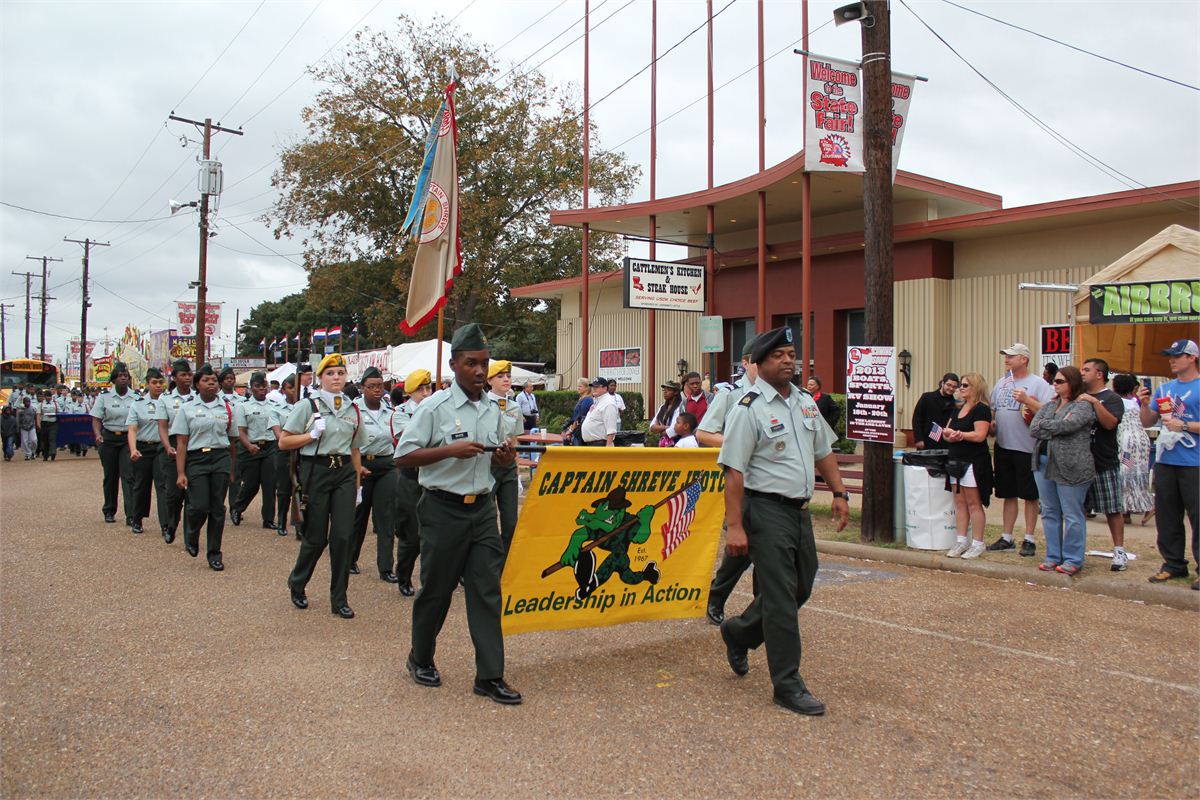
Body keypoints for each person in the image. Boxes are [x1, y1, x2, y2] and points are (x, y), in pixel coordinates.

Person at [717, 325, 850, 716]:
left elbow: (823, 450)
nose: (789, 360)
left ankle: (738, 632)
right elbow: (733, 471)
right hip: (766, 510)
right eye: (779, 355)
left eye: (792, 354)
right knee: (779, 599)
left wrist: (840, 494)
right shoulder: (749, 408)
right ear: (758, 363)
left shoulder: (805, 403)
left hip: (800, 512)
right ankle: (788, 685)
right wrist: (736, 525)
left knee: (800, 589)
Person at [395, 323, 522, 705]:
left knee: (486, 591)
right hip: (441, 510)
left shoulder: (492, 408)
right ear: (454, 365)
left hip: (481, 510)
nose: (480, 372)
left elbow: (496, 465)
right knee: (437, 590)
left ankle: (489, 675)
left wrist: (504, 460)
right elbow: (402, 456)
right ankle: (420, 657)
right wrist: (449, 450)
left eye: (484, 364)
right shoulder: (434, 407)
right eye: (472, 364)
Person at [279, 353, 369, 619]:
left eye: (340, 373)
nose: (336, 378)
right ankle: (297, 582)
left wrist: (357, 483)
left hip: (342, 472)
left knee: (343, 537)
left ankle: (339, 598)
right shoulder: (308, 406)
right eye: (330, 374)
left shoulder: (353, 409)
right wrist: (310, 435)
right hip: (316, 470)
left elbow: (355, 449)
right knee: (316, 537)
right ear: (320, 378)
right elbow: (284, 442)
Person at [696, 338, 759, 626]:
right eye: (758, 360)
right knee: (742, 551)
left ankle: (764, 611)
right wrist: (739, 443)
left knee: (773, 552)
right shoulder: (730, 395)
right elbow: (704, 434)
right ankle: (716, 596)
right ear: (745, 364)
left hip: (773, 485)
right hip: (741, 482)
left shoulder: (786, 395)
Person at [1138, 339, 1199, 588]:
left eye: (1177, 355)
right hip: (1166, 460)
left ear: (1192, 357)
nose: (1172, 360)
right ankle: (1173, 564)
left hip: (1194, 462)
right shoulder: (1165, 389)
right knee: (1167, 515)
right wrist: (1144, 404)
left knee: (1197, 517)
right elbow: (1147, 421)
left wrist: (1184, 425)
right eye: (1170, 355)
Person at [1028, 365, 1097, 576]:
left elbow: (1070, 426)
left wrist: (1049, 425)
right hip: (1042, 462)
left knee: (1072, 513)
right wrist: (1055, 425)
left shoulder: (1083, 405)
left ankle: (1073, 558)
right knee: (1049, 511)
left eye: (1059, 382)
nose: (1054, 385)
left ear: (1073, 383)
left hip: (1072, 466)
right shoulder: (1051, 405)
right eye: (1054, 381)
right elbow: (1034, 428)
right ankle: (1053, 555)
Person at [170, 364, 238, 572]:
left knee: (218, 508)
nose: (211, 384)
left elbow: (232, 442)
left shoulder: (227, 408)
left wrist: (232, 470)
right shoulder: (187, 408)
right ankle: (191, 532)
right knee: (198, 505)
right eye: (206, 380)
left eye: (214, 380)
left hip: (220, 458)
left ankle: (214, 554)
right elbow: (181, 443)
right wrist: (181, 473)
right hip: (196, 459)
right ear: (197, 384)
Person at [988, 343, 1053, 556]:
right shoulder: (1002, 382)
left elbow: (1050, 412)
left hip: (1027, 447)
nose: (1006, 359)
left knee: (1030, 495)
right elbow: (994, 409)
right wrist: (993, 423)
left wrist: (1026, 400)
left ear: (1023, 359)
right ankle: (1007, 536)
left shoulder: (1038, 384)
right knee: (1008, 493)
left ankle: (1029, 537)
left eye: (1011, 356)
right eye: (1006, 356)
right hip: (1004, 445)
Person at [1079, 358, 1129, 570]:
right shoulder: (1077, 396)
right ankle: (1076, 550)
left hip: (1104, 461)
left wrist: (1093, 402)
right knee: (1078, 509)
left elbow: (1109, 423)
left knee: (1112, 509)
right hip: (1079, 463)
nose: (1082, 373)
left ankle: (1119, 551)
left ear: (1099, 374)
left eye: (1087, 369)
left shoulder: (1112, 398)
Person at [349, 366, 398, 579]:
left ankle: (386, 567)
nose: (377, 390)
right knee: (359, 516)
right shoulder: (353, 410)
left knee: (386, 517)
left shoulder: (391, 411)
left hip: (386, 466)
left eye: (380, 386)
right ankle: (350, 559)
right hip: (362, 466)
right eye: (372, 387)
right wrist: (355, 467)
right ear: (362, 388)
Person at [941, 373, 994, 559]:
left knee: (973, 502)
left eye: (965, 385)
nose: (960, 388)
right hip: (955, 459)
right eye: (960, 386)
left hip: (974, 461)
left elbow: (980, 435)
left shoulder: (981, 409)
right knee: (959, 502)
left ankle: (978, 542)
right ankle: (961, 540)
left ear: (975, 387)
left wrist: (960, 434)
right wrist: (950, 435)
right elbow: (946, 432)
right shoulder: (958, 409)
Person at [390, 368, 433, 596]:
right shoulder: (400, 413)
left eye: (428, 388)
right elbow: (409, 442)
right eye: (421, 389)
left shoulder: (437, 410)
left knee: (436, 532)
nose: (426, 393)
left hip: (434, 477)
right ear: (410, 393)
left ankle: (432, 578)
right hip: (411, 478)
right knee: (411, 534)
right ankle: (404, 576)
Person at [229, 372, 279, 530]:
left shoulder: (273, 406)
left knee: (270, 484)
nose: (262, 389)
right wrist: (249, 446)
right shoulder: (243, 407)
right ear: (251, 388)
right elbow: (241, 431)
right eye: (257, 386)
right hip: (250, 447)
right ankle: (237, 508)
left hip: (270, 446)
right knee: (251, 484)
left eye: (264, 385)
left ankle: (268, 519)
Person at [155, 359, 197, 543]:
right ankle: (171, 523)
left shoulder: (198, 396)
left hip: (194, 445)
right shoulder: (165, 399)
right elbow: (162, 426)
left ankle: (190, 535)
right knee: (173, 493)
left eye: (189, 374)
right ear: (174, 377)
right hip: (172, 445)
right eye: (183, 375)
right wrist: (166, 446)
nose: (187, 378)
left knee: (193, 494)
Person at [125, 368, 169, 535]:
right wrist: (133, 449)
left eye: (160, 382)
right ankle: (137, 519)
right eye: (154, 383)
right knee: (141, 485)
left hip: (161, 449)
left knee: (162, 486)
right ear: (147, 384)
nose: (158, 386)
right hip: (143, 448)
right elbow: (132, 429)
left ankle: (165, 524)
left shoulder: (168, 402)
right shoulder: (138, 404)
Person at [486, 360, 524, 555]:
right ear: (489, 380)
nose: (506, 379)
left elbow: (515, 439)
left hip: (507, 466)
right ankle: (485, 565)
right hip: (488, 465)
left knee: (511, 523)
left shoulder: (514, 407)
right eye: (500, 376)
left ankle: (503, 568)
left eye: (508, 376)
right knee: (487, 521)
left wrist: (516, 471)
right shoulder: (481, 404)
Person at [91, 363, 136, 524]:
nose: (123, 378)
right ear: (114, 379)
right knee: (110, 477)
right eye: (120, 376)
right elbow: (96, 418)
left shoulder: (136, 397)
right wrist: (97, 435)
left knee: (128, 476)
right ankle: (109, 510)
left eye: (126, 376)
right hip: (108, 439)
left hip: (127, 440)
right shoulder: (104, 397)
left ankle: (131, 514)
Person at [1112, 373, 1153, 527]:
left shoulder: (1115, 401)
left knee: (1124, 472)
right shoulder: (1136, 402)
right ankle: (1139, 506)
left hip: (1126, 442)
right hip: (1141, 441)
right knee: (1139, 473)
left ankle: (1127, 509)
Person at [269, 374, 300, 538]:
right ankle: (281, 521)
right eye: (291, 387)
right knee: (283, 489)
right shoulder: (275, 408)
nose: (294, 391)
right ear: (283, 389)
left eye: (296, 387)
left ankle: (299, 524)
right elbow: (278, 434)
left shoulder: (305, 406)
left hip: (301, 451)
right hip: (283, 452)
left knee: (300, 488)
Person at [910, 372, 960, 450]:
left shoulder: (956, 404)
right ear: (942, 383)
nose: (951, 389)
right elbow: (917, 419)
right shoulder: (927, 397)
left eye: (954, 387)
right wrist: (919, 439)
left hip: (945, 444)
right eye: (949, 385)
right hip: (927, 442)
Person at [580, 377, 620, 447]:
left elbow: (611, 427)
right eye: (592, 387)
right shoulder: (598, 401)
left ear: (605, 388)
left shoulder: (608, 403)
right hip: (592, 443)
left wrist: (609, 444)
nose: (593, 389)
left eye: (597, 387)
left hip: (600, 443)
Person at [649, 381, 683, 447]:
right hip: (664, 443)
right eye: (664, 390)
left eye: (669, 390)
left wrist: (661, 431)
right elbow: (652, 427)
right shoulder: (662, 407)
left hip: (676, 443)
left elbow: (673, 431)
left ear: (676, 392)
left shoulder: (679, 407)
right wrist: (665, 427)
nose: (665, 392)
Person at [561, 378, 593, 446]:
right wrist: (567, 426)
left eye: (580, 386)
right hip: (578, 431)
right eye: (578, 386)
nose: (578, 388)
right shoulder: (582, 399)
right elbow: (574, 417)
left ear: (587, 388)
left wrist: (571, 430)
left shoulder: (587, 400)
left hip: (580, 432)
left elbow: (580, 418)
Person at [36, 389, 60, 461]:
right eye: (47, 396)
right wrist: (38, 423)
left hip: (53, 423)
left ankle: (53, 453)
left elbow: (60, 413)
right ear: (45, 397)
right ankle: (45, 455)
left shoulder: (55, 404)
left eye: (50, 396)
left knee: (52, 438)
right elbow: (38, 414)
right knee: (45, 440)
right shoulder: (41, 404)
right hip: (44, 424)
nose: (49, 398)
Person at [17, 397, 38, 461]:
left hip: (32, 426)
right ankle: (28, 454)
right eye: (26, 402)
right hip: (23, 427)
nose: (27, 403)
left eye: (28, 402)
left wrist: (37, 424)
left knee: (34, 440)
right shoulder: (21, 410)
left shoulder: (33, 409)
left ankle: (33, 452)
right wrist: (18, 428)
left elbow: (36, 416)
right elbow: (18, 419)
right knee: (25, 441)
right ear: (23, 403)